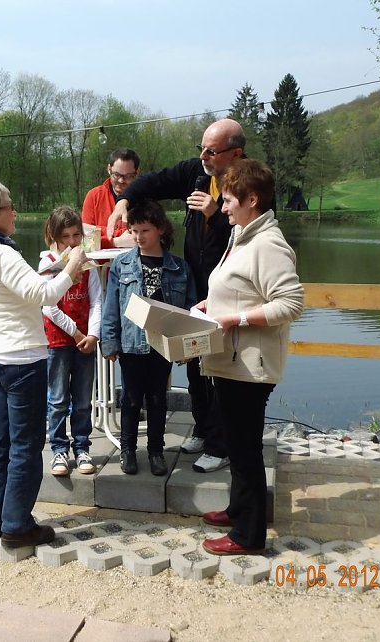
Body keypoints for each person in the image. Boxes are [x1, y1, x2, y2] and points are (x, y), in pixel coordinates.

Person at [109, 119, 248, 474]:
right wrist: (125, 200)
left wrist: (216, 215)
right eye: (202, 149)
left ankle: (221, 445)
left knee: (221, 370)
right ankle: (203, 429)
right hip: (195, 290)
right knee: (197, 366)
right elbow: (154, 181)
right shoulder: (195, 174)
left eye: (211, 151)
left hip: (230, 293)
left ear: (235, 153)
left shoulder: (250, 182)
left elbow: (248, 238)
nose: (203, 157)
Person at [0, 176, 86, 549]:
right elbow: (43, 295)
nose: (14, 212)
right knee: (27, 445)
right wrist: (73, 267)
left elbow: (23, 286)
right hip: (21, 360)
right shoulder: (3, 253)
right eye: (9, 207)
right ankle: (17, 525)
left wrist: (57, 266)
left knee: (1, 441)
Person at [196, 159, 303, 555]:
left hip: (249, 366)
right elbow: (242, 289)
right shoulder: (243, 235)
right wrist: (212, 305)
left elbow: (290, 304)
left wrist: (234, 318)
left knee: (244, 449)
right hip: (232, 360)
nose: (222, 207)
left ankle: (248, 536)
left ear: (252, 199)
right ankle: (238, 509)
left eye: (228, 200)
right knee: (236, 442)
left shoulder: (268, 244)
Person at [100, 200, 195, 476]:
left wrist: (187, 346)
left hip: (163, 345)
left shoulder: (179, 268)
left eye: (145, 231)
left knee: (157, 399)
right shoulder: (122, 265)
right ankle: (128, 450)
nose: (139, 237)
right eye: (134, 231)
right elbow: (111, 307)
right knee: (130, 399)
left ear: (160, 229)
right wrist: (110, 342)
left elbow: (189, 309)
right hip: (131, 343)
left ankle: (156, 451)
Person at [38, 206, 102, 477]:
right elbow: (48, 306)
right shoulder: (47, 264)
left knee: (84, 398)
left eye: (77, 235)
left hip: (86, 341)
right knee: (58, 399)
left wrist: (93, 334)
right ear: (54, 237)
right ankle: (58, 449)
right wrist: (76, 333)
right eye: (66, 236)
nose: (73, 242)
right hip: (58, 342)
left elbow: (97, 301)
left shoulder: (87, 264)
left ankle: (82, 446)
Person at [82, 148, 141, 248]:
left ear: (137, 172)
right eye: (117, 175)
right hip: (100, 259)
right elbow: (85, 239)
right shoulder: (94, 196)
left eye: (128, 176)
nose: (121, 180)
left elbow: (150, 235)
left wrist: (98, 231)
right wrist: (116, 241)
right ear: (109, 169)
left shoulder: (144, 199)